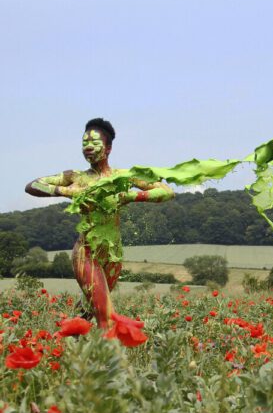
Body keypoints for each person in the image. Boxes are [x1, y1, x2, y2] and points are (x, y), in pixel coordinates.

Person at [25, 118, 174, 328]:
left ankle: (65, 342)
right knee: (104, 316)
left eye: (94, 143)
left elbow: (166, 192)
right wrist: (68, 191)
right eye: (84, 143)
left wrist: (130, 196)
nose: (87, 148)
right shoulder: (74, 177)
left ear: (109, 148)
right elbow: (32, 186)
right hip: (86, 253)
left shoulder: (122, 177)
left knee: (90, 308)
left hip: (113, 255)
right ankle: (109, 356)